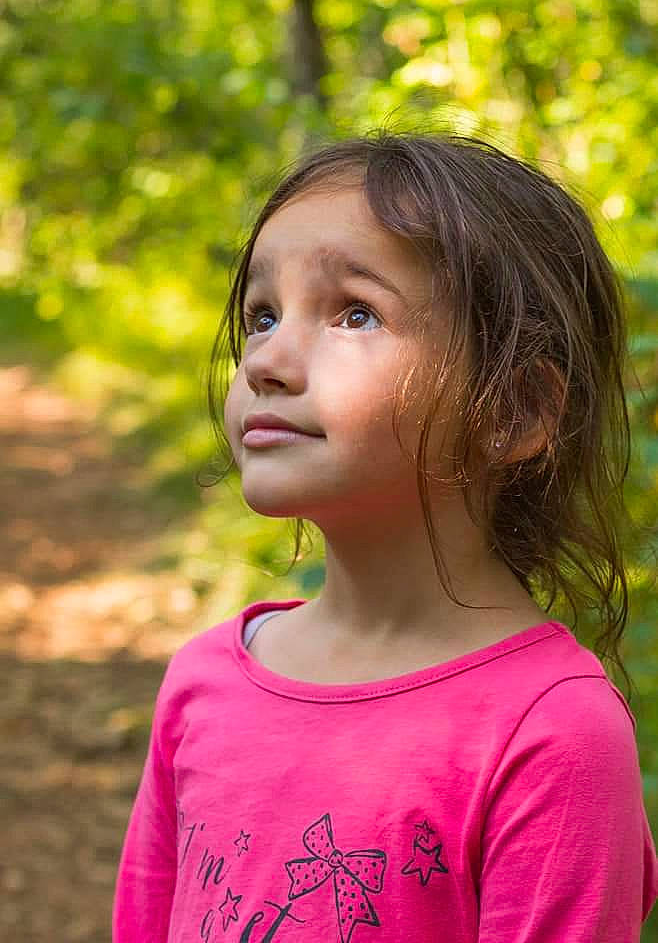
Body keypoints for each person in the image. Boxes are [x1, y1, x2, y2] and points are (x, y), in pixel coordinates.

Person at [112, 129, 658, 942]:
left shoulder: (552, 735)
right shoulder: (205, 684)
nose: (267, 360)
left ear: (513, 411)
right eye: (262, 316)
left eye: (355, 313)